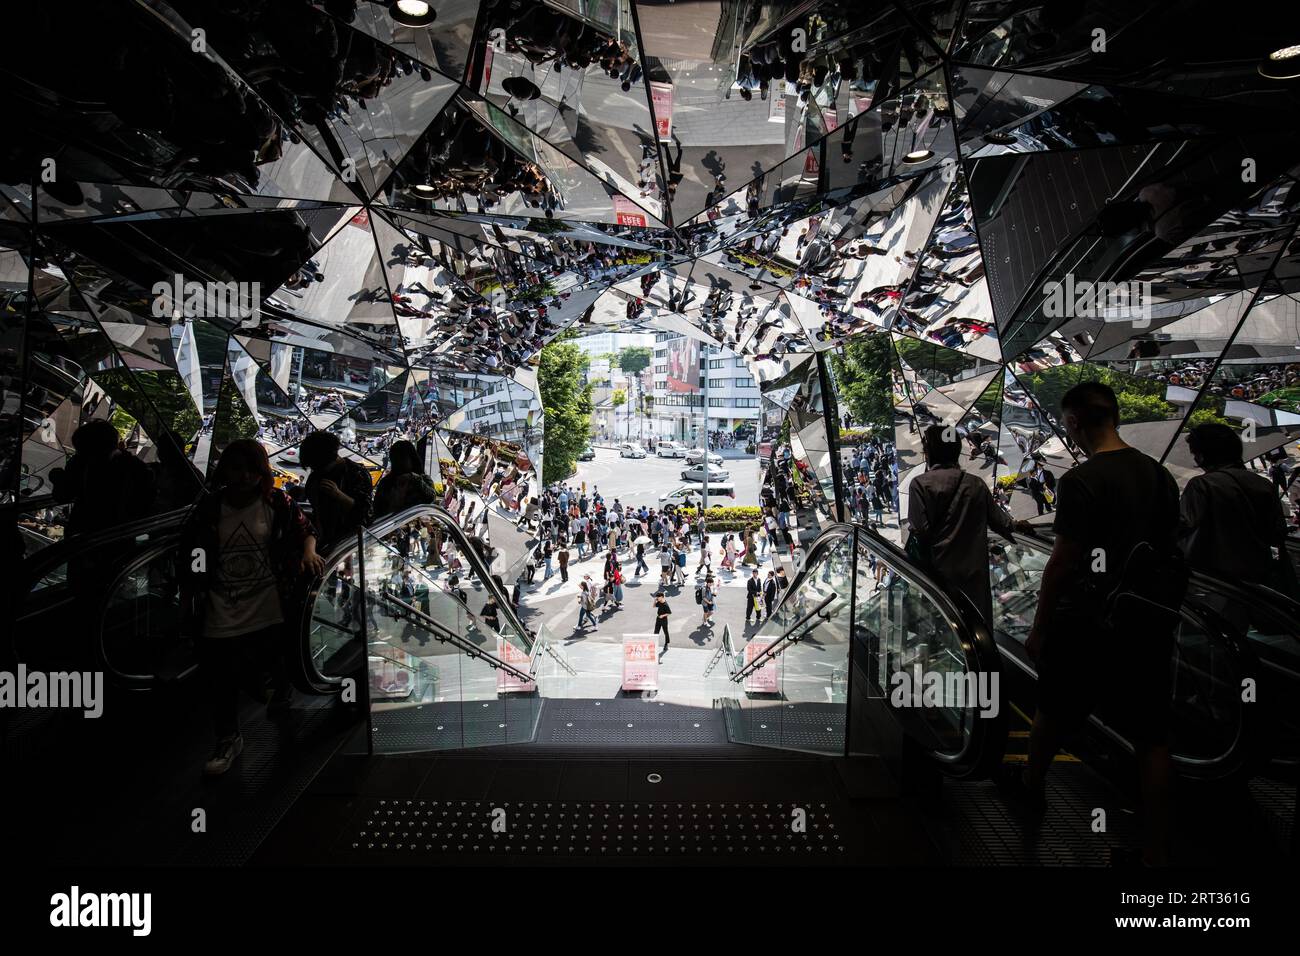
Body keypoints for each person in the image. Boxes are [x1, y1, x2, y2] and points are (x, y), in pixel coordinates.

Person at [1013, 382, 1181, 867]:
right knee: (1153, 737)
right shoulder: (1159, 476)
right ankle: (1157, 849)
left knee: (1054, 707)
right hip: (1148, 621)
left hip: (1086, 619)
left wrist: (1041, 625)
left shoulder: (1082, 480)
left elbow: (1063, 562)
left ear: (1073, 423)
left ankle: (1033, 786)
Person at [178, 440, 323, 776]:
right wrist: (187, 602)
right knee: (222, 676)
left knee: (262, 663)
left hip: (269, 603)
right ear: (225, 470)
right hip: (220, 604)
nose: (244, 477)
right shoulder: (210, 509)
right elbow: (190, 558)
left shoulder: (276, 502)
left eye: (252, 470)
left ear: (261, 472)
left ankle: (270, 694)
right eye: (236, 469)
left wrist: (309, 553)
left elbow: (305, 529)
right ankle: (228, 738)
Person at [907, 424, 1024, 630]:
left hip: (940, 576)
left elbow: (920, 530)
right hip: (974, 576)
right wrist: (1020, 527)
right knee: (977, 627)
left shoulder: (920, 485)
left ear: (931, 452)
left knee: (947, 629)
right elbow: (1001, 522)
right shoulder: (976, 483)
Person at [1178, 423, 1291, 591]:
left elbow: (1179, 527)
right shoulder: (1263, 484)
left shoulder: (1203, 485)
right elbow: (1277, 533)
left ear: (1202, 455)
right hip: (1259, 578)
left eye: (1195, 453)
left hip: (1213, 582)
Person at [300, 430, 374, 554]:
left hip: (348, 546)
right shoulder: (316, 477)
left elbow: (366, 515)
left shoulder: (357, 474)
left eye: (316, 466)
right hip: (323, 543)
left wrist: (339, 496)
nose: (315, 470)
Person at [373, 439, 436, 518]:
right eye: (396, 459)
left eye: (402, 458)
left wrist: (414, 478)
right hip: (390, 525)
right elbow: (377, 509)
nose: (399, 463)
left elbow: (431, 498)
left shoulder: (422, 479)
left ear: (412, 458)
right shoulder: (387, 482)